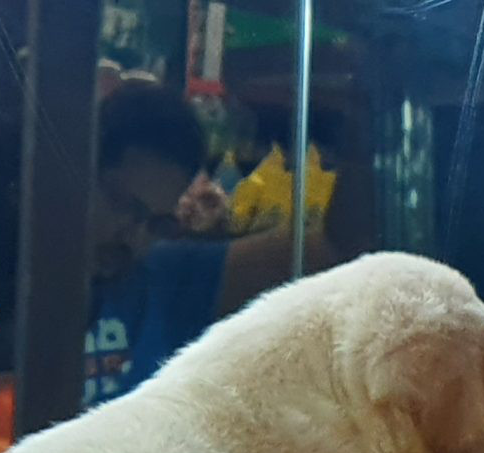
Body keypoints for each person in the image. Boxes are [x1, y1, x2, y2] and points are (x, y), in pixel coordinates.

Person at [84, 80, 338, 408]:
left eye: (156, 224)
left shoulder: (160, 279)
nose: (133, 237)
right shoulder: (11, 283)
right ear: (81, 173)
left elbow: (334, 248)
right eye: (123, 205)